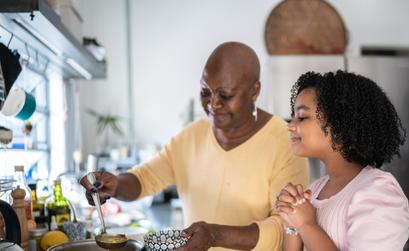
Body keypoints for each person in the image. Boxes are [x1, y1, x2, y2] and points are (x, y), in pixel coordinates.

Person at [80, 42, 309, 251]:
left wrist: (214, 235)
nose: (213, 104)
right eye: (205, 92)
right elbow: (146, 178)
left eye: (225, 95)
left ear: (254, 91)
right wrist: (117, 184)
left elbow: (287, 228)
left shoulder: (286, 142)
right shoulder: (191, 136)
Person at [275, 71, 409, 251]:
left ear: (339, 125)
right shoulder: (315, 190)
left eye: (302, 117)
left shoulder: (379, 192)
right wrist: (291, 217)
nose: (290, 125)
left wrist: (307, 224)